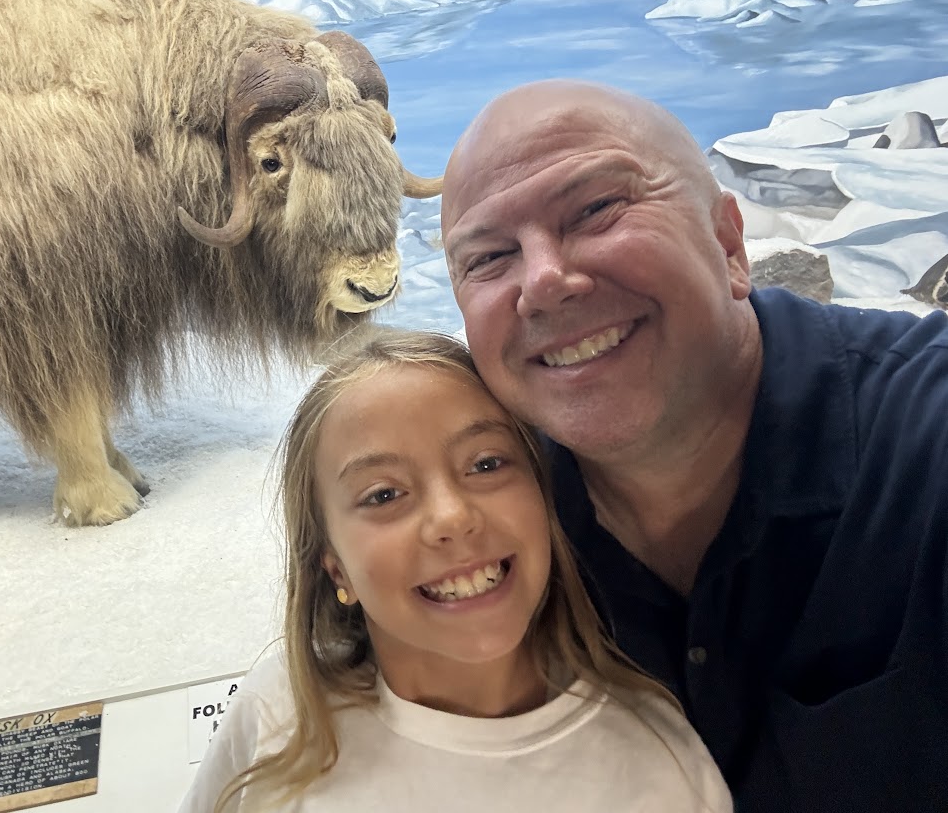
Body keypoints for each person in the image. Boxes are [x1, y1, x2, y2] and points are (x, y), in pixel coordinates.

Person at [440, 78, 948, 812]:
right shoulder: (480, 528)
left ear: (730, 242)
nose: (544, 281)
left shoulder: (925, 440)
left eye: (595, 209)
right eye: (488, 257)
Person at [178, 329, 730, 812]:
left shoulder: (660, 764)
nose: (452, 517)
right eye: (384, 493)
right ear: (335, 569)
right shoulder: (279, 714)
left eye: (486, 463)